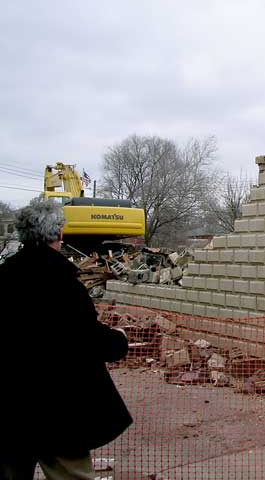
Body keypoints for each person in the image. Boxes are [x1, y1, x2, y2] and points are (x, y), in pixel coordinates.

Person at [0, 199, 132, 480]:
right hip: (57, 409)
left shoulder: (4, 276)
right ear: (58, 234)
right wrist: (118, 340)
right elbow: (84, 337)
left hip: (8, 408)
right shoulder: (62, 282)